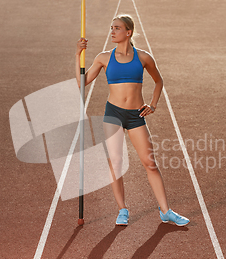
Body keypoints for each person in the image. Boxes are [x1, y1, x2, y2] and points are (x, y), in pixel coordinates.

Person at [75, 14, 189, 226]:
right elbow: (82, 83)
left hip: (136, 115)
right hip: (113, 114)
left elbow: (158, 81)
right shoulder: (103, 58)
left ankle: (166, 211)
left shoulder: (143, 57)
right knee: (116, 162)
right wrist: (78, 55)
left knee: (150, 163)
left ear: (128, 32)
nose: (112, 31)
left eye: (117, 28)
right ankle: (122, 209)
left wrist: (152, 105)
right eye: (111, 27)